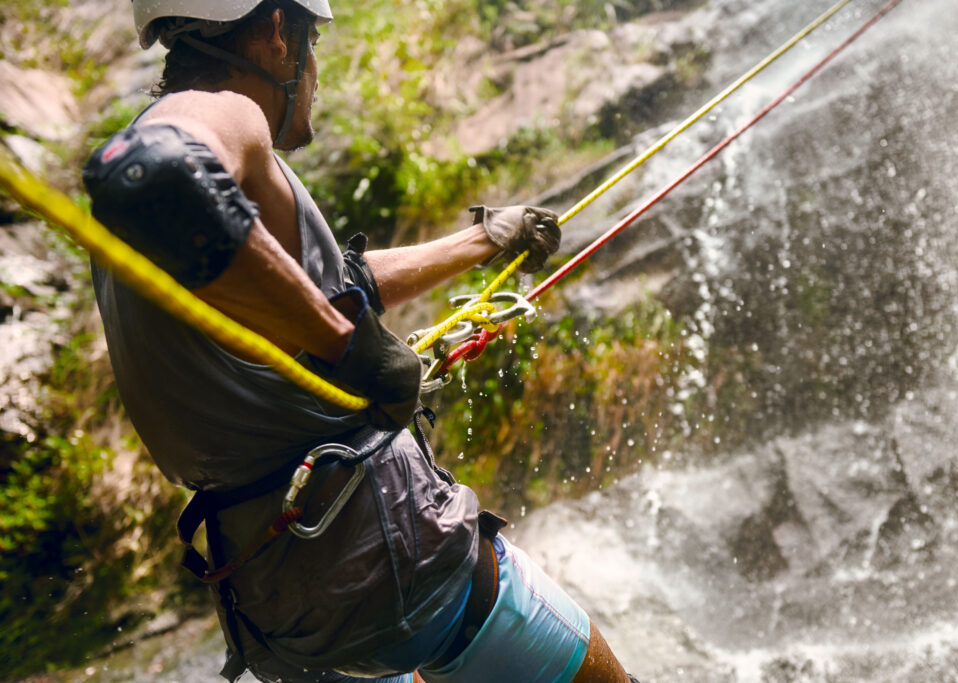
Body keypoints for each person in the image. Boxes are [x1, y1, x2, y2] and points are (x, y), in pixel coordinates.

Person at [82, 1, 635, 681]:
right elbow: (151, 173)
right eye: (312, 40)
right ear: (278, 33)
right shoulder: (224, 114)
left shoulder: (192, 206)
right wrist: (350, 348)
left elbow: (332, 287)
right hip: (397, 555)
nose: (316, 69)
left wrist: (483, 239)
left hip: (283, 612)